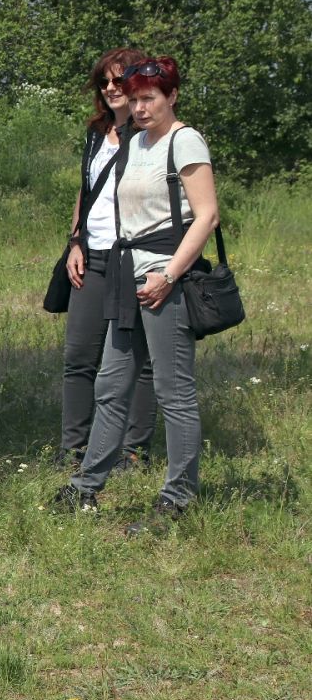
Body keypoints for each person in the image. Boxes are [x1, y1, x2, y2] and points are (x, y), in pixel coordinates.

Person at [51, 57, 220, 533]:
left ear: (172, 97)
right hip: (126, 276)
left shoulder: (184, 141)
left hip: (165, 281)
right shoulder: (135, 141)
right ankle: (86, 486)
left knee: (173, 392)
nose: (141, 107)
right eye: (136, 98)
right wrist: (78, 241)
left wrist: (168, 274)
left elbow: (207, 216)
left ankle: (178, 499)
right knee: (110, 385)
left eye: (150, 98)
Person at [56, 49, 158, 469]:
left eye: (119, 80)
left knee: (139, 359)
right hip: (92, 255)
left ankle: (133, 450)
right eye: (104, 82)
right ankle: (73, 449)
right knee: (79, 357)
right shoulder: (97, 132)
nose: (111, 89)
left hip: (135, 256)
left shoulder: (151, 133)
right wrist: (75, 241)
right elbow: (86, 190)